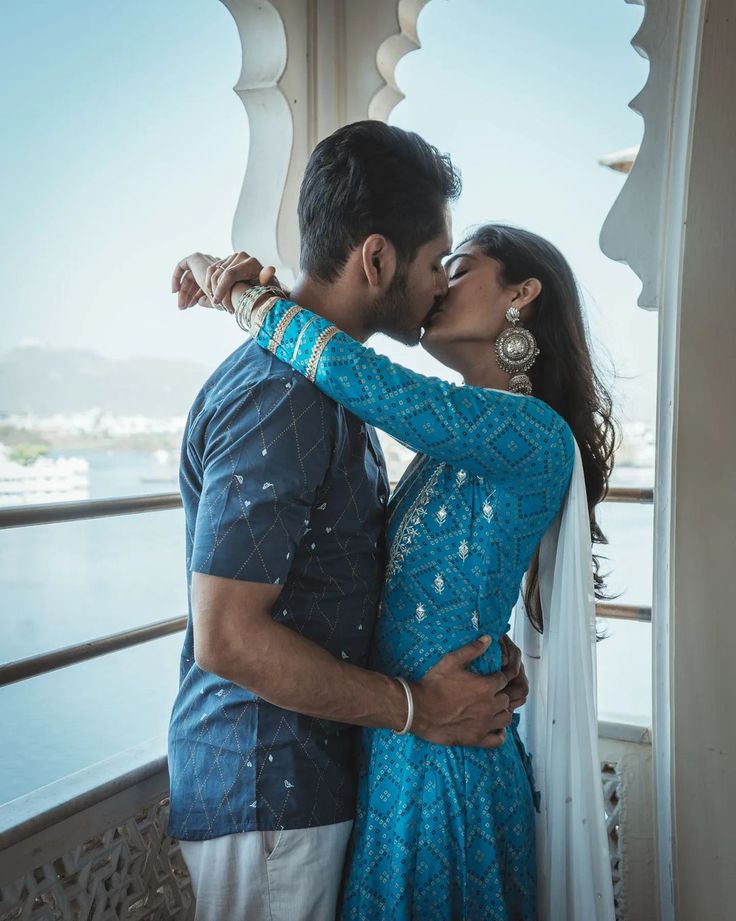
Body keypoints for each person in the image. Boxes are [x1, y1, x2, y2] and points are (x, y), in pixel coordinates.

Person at [176, 224, 617, 920]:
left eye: (459, 266)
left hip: (445, 762)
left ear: (522, 294)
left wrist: (246, 297)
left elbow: (368, 381)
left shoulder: (530, 432)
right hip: (406, 737)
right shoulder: (455, 445)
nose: (439, 282)